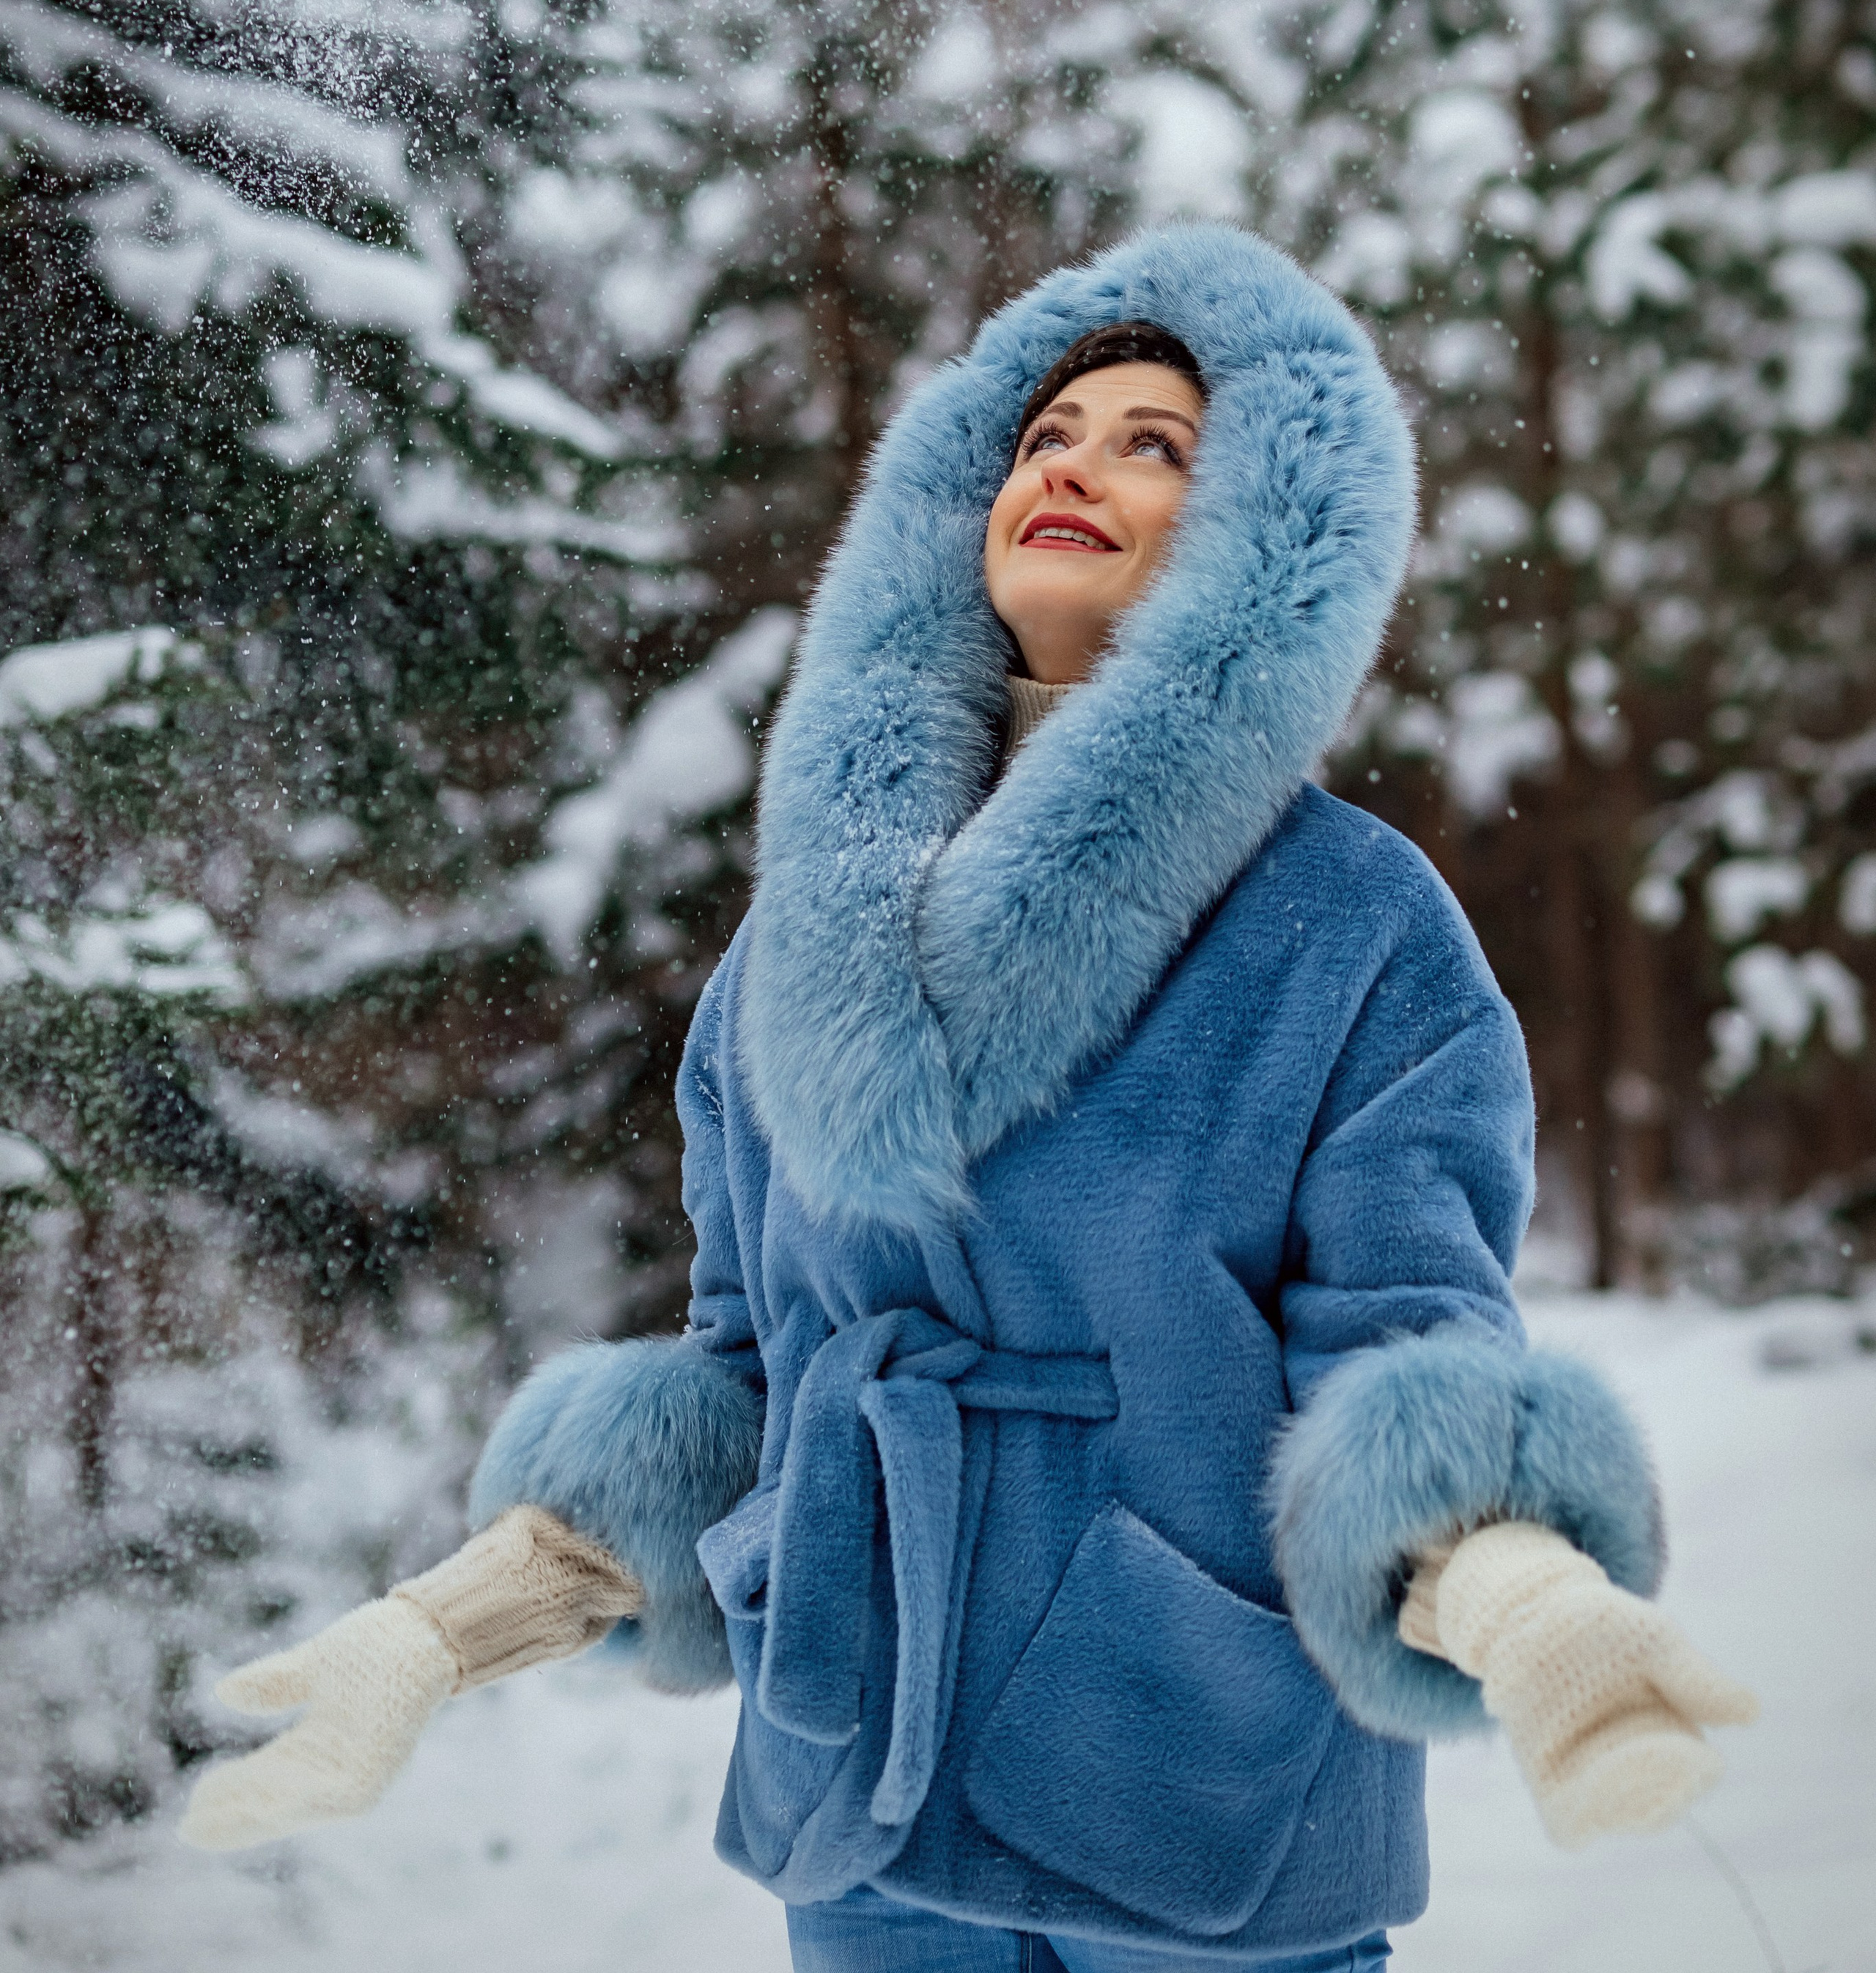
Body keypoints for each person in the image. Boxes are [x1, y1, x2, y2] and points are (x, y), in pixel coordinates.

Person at [181, 225, 1754, 1969]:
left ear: (1259, 534)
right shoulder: (803, 935)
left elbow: (1399, 1359)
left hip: (1191, 1782)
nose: (1071, 464)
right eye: (1043, 435)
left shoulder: (1352, 921)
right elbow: (752, 1367)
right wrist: (442, 1627)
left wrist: (1524, 1608)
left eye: (1152, 443)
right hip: (858, 1793)